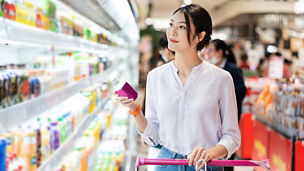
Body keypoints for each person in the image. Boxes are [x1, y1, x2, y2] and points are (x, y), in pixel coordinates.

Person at [116, 4, 240, 171]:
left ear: (199, 36)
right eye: (171, 24)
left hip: (204, 165)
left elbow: (232, 136)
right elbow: (153, 136)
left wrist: (211, 153)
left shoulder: (221, 79)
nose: (172, 32)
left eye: (182, 27)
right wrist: (135, 109)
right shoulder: (156, 77)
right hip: (167, 163)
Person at [206, 39, 246, 171]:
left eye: (211, 50)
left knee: (227, 145)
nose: (208, 54)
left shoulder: (232, 71)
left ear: (220, 52)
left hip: (229, 114)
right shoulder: (209, 70)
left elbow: (241, 91)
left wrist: (225, 98)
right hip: (212, 115)